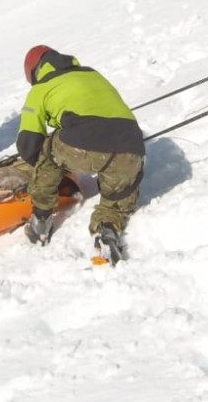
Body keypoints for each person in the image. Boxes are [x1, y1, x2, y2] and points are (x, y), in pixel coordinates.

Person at [16, 45, 145, 257]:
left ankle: (41, 221)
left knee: (48, 151)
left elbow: (28, 143)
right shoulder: (92, 73)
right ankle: (108, 230)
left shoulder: (41, 88)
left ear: (35, 73)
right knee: (117, 197)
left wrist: (51, 170)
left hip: (81, 143)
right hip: (131, 146)